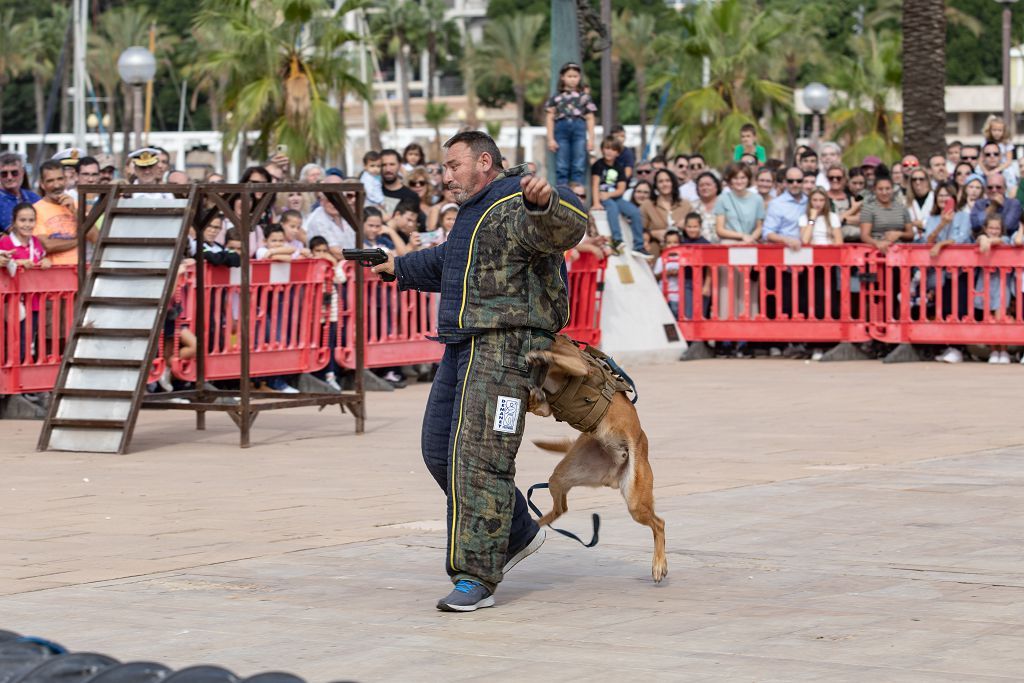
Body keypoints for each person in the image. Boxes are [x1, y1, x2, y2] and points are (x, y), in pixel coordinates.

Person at [370, 130, 587, 613]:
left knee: (479, 458)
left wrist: (547, 202)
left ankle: (476, 576)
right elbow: (451, 261)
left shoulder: (516, 198)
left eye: (452, 165)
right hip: (463, 345)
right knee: (437, 451)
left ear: (484, 161)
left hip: (507, 350)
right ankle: (516, 532)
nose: (445, 177)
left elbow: (568, 223)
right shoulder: (472, 212)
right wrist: (398, 267)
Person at [591, 135, 648, 257]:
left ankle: (639, 246)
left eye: (613, 149)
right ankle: (617, 239)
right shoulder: (598, 165)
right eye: (606, 148)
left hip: (615, 197)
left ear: (618, 152)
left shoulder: (619, 168)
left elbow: (621, 189)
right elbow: (595, 185)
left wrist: (609, 194)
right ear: (602, 149)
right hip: (603, 198)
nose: (609, 151)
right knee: (612, 208)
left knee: (634, 212)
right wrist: (596, 202)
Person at [545, 62, 596, 186]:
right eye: (569, 76)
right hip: (561, 130)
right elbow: (550, 117)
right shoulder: (556, 97)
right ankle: (562, 194)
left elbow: (590, 118)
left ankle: (578, 193)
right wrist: (550, 139)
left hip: (579, 129)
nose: (573, 79)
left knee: (579, 163)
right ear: (563, 77)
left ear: (579, 78)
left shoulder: (584, 97)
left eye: (575, 76)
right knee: (562, 165)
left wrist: (591, 140)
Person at [32, 160, 86, 266]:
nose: (56, 185)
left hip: (81, 272)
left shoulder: (76, 205)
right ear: (42, 184)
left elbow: (95, 237)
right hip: (54, 274)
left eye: (60, 179)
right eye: (50, 181)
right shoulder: (36, 210)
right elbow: (46, 246)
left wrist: (75, 212)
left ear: (65, 180)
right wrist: (79, 240)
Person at [975, 214, 1013, 364]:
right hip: (984, 281)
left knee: (1000, 317)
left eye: (997, 228)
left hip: (1001, 281)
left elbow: (1001, 241)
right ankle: (993, 350)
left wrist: (989, 240)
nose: (994, 230)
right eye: (991, 227)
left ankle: (1003, 350)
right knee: (988, 318)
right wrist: (984, 238)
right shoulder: (981, 238)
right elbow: (979, 240)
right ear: (985, 228)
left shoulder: (1006, 238)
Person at [859, 168, 912, 253]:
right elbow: (864, 236)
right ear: (874, 190)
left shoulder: (902, 208)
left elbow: (910, 234)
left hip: (899, 252)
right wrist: (877, 243)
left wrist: (899, 234)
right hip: (876, 252)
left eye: (887, 189)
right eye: (880, 189)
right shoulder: (868, 208)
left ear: (892, 189)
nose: (884, 192)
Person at [304, 176, 356, 259]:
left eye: (338, 199)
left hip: (352, 264)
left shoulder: (346, 215)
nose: (334, 203)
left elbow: (358, 242)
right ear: (321, 201)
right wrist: (362, 256)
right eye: (329, 200)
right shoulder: (318, 219)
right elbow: (335, 252)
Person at [715, 163, 764, 244]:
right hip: (729, 242)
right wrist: (742, 236)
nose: (739, 181)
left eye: (743, 178)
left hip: (751, 242)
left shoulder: (758, 199)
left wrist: (750, 239)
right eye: (735, 178)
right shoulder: (722, 198)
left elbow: (759, 227)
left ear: (748, 179)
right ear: (730, 180)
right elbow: (720, 230)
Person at [969, 172, 1020, 237]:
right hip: (982, 241)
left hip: (1006, 243)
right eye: (990, 187)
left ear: (1005, 188)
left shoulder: (1013, 203)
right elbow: (975, 225)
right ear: (985, 189)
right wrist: (992, 206)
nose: (994, 190)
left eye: (998, 187)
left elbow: (1008, 226)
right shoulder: (979, 204)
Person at [0, 152, 40, 232]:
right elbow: (18, 232)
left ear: (22, 173)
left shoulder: (33, 197)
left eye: (14, 173)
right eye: (4, 174)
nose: (9, 177)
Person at [693, 171, 721, 244]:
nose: (704, 188)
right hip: (699, 248)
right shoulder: (692, 207)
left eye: (708, 185)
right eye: (701, 185)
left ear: (716, 187)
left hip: (721, 247)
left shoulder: (725, 204)